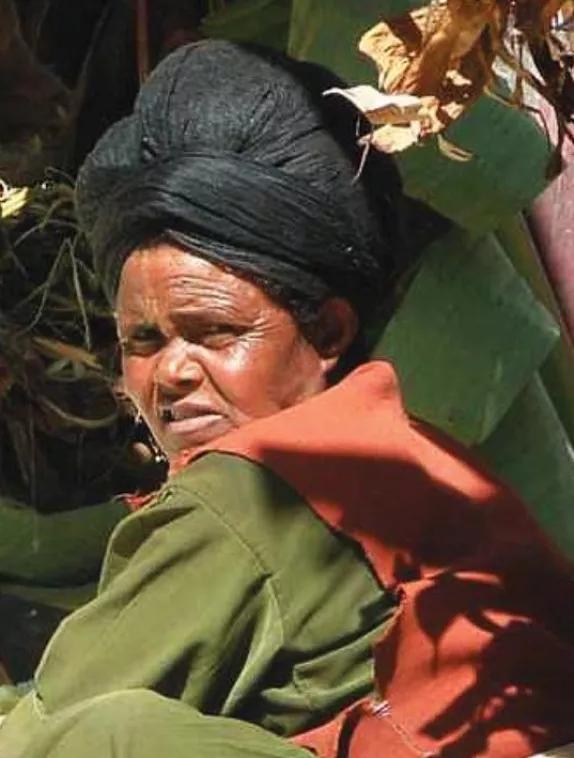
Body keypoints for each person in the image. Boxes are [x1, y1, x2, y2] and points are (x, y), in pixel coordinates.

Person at [1, 39, 573, 758]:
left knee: (107, 736)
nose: (171, 373)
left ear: (328, 330)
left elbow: (45, 727)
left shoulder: (257, 490)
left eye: (214, 333)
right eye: (143, 342)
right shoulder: (405, 452)